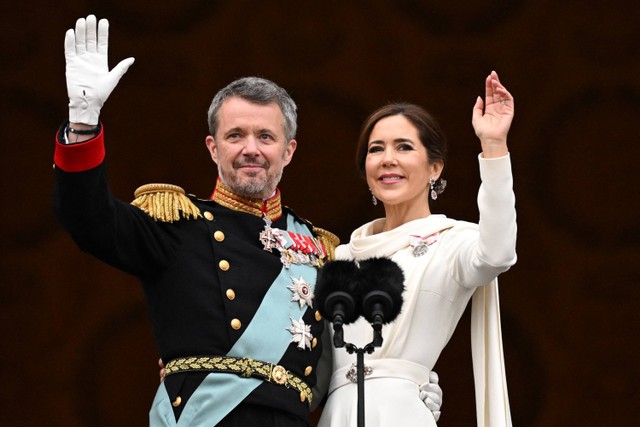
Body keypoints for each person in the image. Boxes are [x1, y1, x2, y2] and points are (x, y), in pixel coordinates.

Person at [53, 15, 443, 427]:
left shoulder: (322, 251)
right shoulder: (177, 226)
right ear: (213, 148)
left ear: (288, 151)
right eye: (235, 135)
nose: (250, 149)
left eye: (265, 137)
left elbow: (345, 356)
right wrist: (83, 123)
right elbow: (88, 218)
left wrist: (398, 388)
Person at [317, 72, 517, 427]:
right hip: (337, 415)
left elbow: (498, 253)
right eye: (376, 149)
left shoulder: (453, 242)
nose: (387, 159)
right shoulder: (338, 256)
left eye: (404, 147)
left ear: (434, 167)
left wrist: (493, 145)